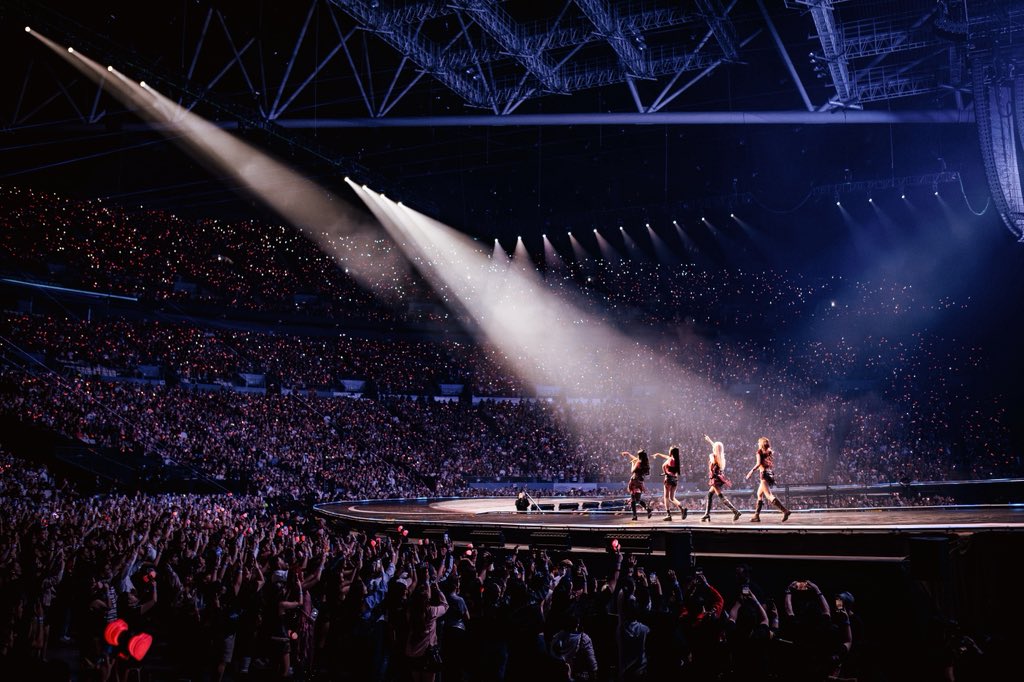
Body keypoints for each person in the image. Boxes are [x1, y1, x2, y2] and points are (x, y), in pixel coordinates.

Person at [744, 437, 791, 522]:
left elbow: (758, 464)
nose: (757, 444)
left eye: (758, 443)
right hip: (768, 473)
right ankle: (756, 516)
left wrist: (751, 471)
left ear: (761, 444)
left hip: (764, 475)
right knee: (759, 494)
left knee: (769, 495)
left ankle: (785, 511)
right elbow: (767, 464)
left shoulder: (759, 452)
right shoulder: (768, 452)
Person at [701, 435, 741, 522]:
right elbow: (716, 448)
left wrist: (711, 455)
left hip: (715, 479)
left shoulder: (713, 456)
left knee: (721, 496)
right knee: (710, 495)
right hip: (717, 478)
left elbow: (712, 458)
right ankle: (707, 514)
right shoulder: (720, 457)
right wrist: (710, 441)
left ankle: (735, 511)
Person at [652, 446, 687, 521]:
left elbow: (664, 465)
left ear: (671, 452)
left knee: (666, 497)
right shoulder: (676, 460)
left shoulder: (670, 460)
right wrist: (658, 454)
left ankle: (668, 515)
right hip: (675, 479)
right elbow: (667, 457)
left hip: (668, 479)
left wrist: (665, 472)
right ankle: (682, 508)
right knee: (672, 497)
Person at [621, 450, 653, 521]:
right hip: (640, 482)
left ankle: (635, 515)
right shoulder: (645, 462)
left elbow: (632, 470)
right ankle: (647, 509)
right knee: (637, 499)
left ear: (640, 456)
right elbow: (635, 458)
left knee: (633, 499)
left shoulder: (638, 462)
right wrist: (628, 454)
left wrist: (632, 463)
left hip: (634, 481)